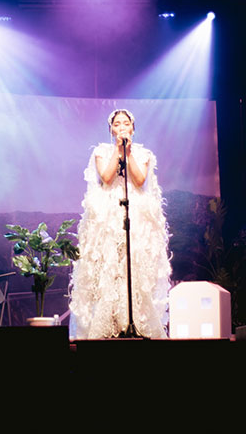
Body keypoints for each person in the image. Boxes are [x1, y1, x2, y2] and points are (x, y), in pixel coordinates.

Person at [69, 109, 172, 339]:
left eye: (126, 123)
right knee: (109, 268)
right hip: (108, 220)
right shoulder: (101, 152)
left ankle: (133, 322)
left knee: (132, 268)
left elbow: (139, 179)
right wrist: (118, 150)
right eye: (117, 124)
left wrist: (129, 152)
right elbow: (106, 178)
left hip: (135, 219)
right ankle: (108, 325)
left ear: (133, 128)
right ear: (111, 129)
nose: (122, 127)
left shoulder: (143, 154)